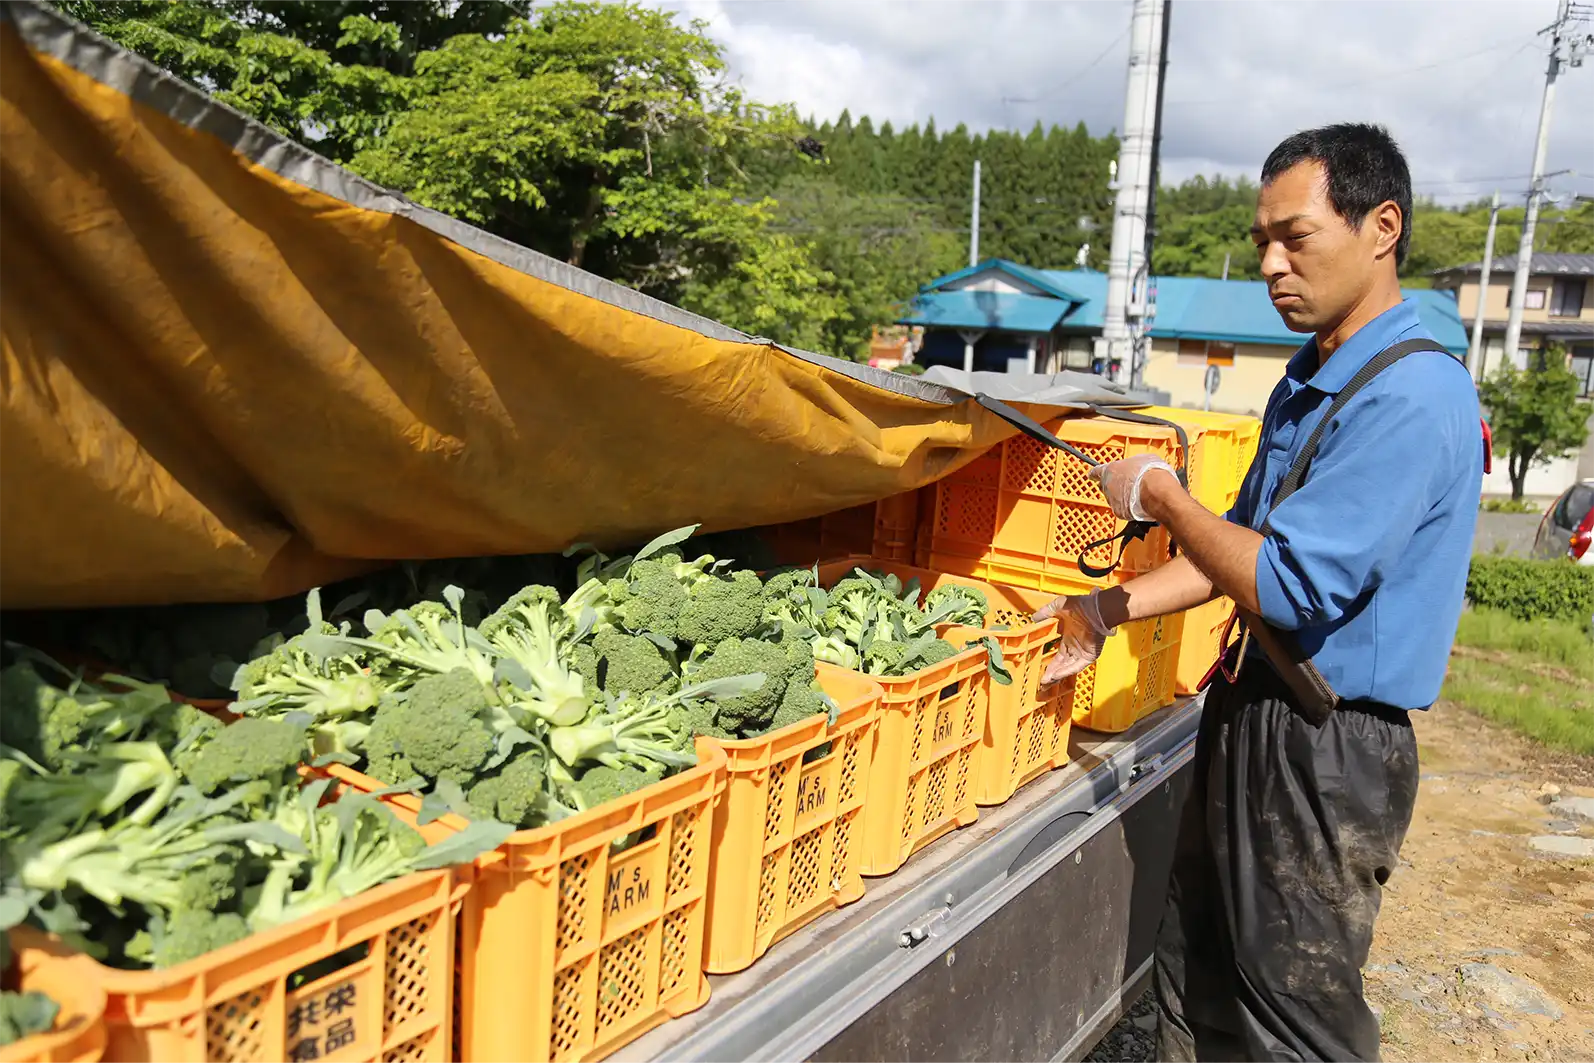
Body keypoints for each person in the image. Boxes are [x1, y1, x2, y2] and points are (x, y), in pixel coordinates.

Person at [1036, 123, 1483, 1062]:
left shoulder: (1411, 396)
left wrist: (1159, 492)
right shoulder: (1310, 378)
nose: (1273, 265)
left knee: (1292, 1016)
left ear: (1381, 226)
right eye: (1261, 244)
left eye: (1296, 237)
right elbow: (1229, 552)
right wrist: (1103, 608)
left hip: (1329, 746)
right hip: (1250, 705)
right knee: (1197, 967)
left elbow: (1283, 580)